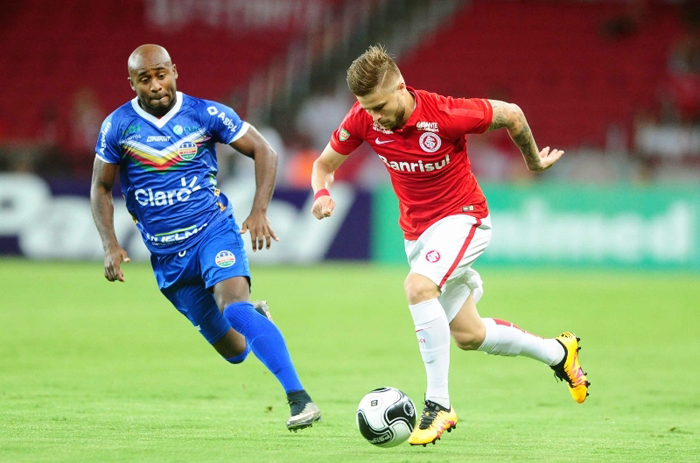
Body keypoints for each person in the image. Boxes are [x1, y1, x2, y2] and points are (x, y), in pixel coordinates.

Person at [310, 45, 588, 446]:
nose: (375, 117)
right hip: (418, 235)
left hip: (464, 217)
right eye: (367, 109)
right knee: (469, 335)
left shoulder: (444, 114)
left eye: (380, 106)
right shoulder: (363, 119)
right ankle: (559, 354)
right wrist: (321, 194)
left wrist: (531, 161)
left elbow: (511, 113)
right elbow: (323, 166)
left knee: (417, 287)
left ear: (401, 88)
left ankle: (438, 405)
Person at [90, 44, 321, 431]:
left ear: (174, 72)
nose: (156, 85)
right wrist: (110, 244)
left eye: (161, 74)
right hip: (167, 257)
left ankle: (300, 400)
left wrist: (259, 209)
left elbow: (264, 150)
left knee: (232, 307)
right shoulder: (117, 126)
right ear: (131, 83)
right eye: (145, 79)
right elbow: (100, 187)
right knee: (234, 350)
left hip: (212, 231)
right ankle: (255, 317)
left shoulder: (205, 113)